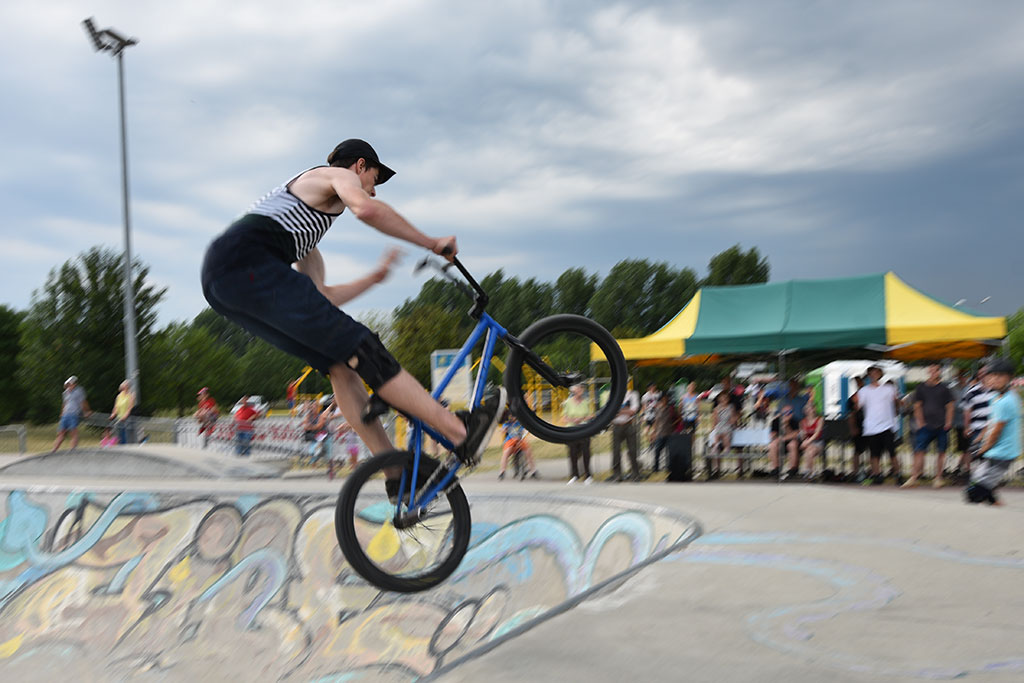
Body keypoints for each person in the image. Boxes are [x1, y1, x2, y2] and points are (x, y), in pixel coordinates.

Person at [200, 139, 505, 493]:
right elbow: (366, 210)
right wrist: (431, 242)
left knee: (341, 365)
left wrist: (374, 278)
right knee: (364, 347)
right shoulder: (333, 175)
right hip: (244, 262)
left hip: (225, 283)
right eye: (374, 179)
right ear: (359, 166)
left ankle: (396, 474)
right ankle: (461, 432)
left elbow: (320, 297)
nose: (372, 190)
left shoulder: (304, 236)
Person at [964, 358, 1020, 506]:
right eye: (992, 375)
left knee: (974, 493)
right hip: (994, 450)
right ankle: (992, 500)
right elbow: (990, 423)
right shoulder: (995, 397)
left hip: (1004, 453)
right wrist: (978, 440)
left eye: (1000, 376)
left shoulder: (1007, 401)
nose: (995, 379)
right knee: (977, 480)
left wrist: (981, 450)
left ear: (1009, 378)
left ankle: (986, 496)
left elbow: (996, 431)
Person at [904, 363, 954, 488]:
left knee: (941, 452)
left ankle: (938, 477)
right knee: (919, 451)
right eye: (931, 370)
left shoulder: (945, 388)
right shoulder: (921, 387)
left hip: (942, 425)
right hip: (925, 426)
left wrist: (948, 422)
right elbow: (917, 406)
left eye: (936, 370)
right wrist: (920, 423)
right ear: (928, 371)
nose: (933, 373)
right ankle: (914, 477)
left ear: (939, 372)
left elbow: (950, 406)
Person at [853, 366, 901, 485]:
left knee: (892, 451)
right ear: (868, 376)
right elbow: (857, 407)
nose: (873, 375)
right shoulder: (864, 391)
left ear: (880, 374)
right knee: (874, 453)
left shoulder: (889, 388)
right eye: (871, 373)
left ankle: (897, 473)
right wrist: (855, 402)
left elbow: (896, 402)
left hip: (887, 424)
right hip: (871, 426)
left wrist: (897, 408)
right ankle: (876, 474)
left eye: (876, 373)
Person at [961, 366, 994, 480]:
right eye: (981, 373)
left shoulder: (995, 390)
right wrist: (967, 427)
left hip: (992, 428)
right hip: (977, 428)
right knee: (977, 453)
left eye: (985, 373)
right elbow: (967, 411)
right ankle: (975, 475)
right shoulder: (972, 392)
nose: (983, 375)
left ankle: (987, 476)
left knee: (991, 453)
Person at [562, 383, 594, 485]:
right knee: (573, 453)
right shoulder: (568, 402)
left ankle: (588, 475)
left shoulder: (586, 402)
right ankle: (574, 475)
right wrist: (573, 420)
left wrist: (582, 419)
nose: (580, 391)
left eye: (581, 389)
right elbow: (564, 418)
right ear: (574, 391)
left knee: (586, 452)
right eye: (578, 389)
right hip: (572, 430)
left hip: (584, 429)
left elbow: (591, 416)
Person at [609, 384, 642, 482]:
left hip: (629, 425)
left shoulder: (633, 394)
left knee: (632, 451)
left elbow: (633, 411)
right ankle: (617, 475)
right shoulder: (613, 395)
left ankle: (635, 474)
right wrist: (625, 410)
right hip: (617, 426)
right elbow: (610, 412)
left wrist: (618, 411)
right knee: (616, 451)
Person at [497, 409, 539, 480]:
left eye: (514, 416)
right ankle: (502, 472)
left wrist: (526, 431)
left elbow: (525, 429)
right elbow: (503, 429)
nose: (512, 418)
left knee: (528, 452)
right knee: (506, 452)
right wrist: (503, 430)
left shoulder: (520, 422)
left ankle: (533, 471)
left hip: (520, 440)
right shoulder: (507, 423)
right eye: (511, 416)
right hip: (510, 440)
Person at [52, 376, 91, 452]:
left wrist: (87, 411)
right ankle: (54, 450)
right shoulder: (65, 393)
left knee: (73, 432)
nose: (68, 386)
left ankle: (73, 450)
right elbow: (64, 403)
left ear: (74, 384)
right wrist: (62, 413)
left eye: (70, 384)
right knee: (61, 432)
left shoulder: (79, 391)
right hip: (65, 414)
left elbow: (83, 402)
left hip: (73, 414)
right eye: (67, 384)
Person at [707, 390, 737, 479]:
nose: (724, 400)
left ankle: (727, 447)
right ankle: (716, 446)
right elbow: (715, 421)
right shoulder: (717, 408)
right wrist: (712, 429)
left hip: (727, 425)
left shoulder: (731, 407)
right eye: (722, 399)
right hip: (720, 425)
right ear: (719, 400)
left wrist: (733, 422)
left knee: (725, 432)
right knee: (717, 432)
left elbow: (733, 418)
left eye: (725, 398)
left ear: (728, 399)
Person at [768, 404, 800, 480]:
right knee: (772, 445)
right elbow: (772, 435)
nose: (787, 414)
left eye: (790, 412)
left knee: (792, 444)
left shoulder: (795, 421)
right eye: (785, 412)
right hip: (779, 443)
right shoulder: (775, 421)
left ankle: (792, 469)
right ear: (781, 412)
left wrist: (786, 424)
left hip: (791, 442)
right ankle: (776, 469)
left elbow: (795, 435)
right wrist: (782, 425)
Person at [650, 393, 679, 473]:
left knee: (669, 452)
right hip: (660, 433)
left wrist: (672, 426)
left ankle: (669, 467)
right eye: (663, 399)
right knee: (657, 451)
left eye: (666, 399)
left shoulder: (671, 409)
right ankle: (656, 468)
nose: (664, 400)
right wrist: (653, 432)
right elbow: (656, 421)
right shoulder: (657, 409)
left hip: (669, 432)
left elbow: (678, 418)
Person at [845, 375, 867, 481]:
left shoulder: (868, 395)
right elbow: (851, 415)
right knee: (857, 450)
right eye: (857, 382)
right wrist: (853, 428)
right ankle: (855, 471)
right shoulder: (852, 398)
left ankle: (871, 471)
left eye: (860, 381)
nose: (859, 384)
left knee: (871, 449)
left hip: (870, 425)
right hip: (858, 425)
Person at [799, 401, 825, 478]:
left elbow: (817, 434)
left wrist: (807, 442)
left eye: (810, 408)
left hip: (818, 442)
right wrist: (803, 435)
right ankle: (810, 472)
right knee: (809, 450)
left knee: (811, 450)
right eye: (807, 409)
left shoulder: (820, 420)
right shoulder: (802, 422)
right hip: (807, 443)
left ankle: (808, 470)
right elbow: (803, 437)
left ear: (814, 409)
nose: (809, 410)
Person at [109, 380, 135, 445]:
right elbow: (116, 407)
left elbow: (130, 407)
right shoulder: (119, 396)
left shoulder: (130, 396)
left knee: (125, 433)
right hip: (119, 417)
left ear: (127, 387)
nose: (122, 388)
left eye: (124, 387)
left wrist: (125, 416)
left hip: (127, 418)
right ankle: (120, 445)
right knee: (118, 433)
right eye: (122, 387)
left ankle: (125, 445)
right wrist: (113, 414)